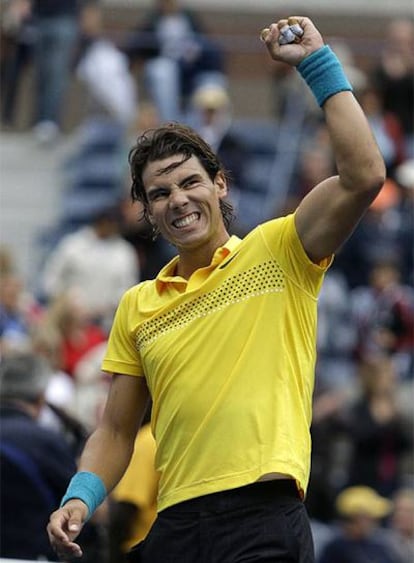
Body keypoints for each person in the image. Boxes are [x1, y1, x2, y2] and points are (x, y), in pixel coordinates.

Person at [47, 16, 386, 563]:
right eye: (159, 193)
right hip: (176, 524)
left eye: (189, 182)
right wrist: (80, 498)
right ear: (149, 213)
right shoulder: (137, 305)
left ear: (219, 184)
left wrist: (318, 66)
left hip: (263, 518)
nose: (177, 200)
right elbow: (114, 431)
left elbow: (365, 174)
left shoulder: (281, 250)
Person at [318, 486, 404, 563]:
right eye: (371, 517)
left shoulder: (377, 546)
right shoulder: (336, 549)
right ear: (356, 518)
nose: (375, 522)